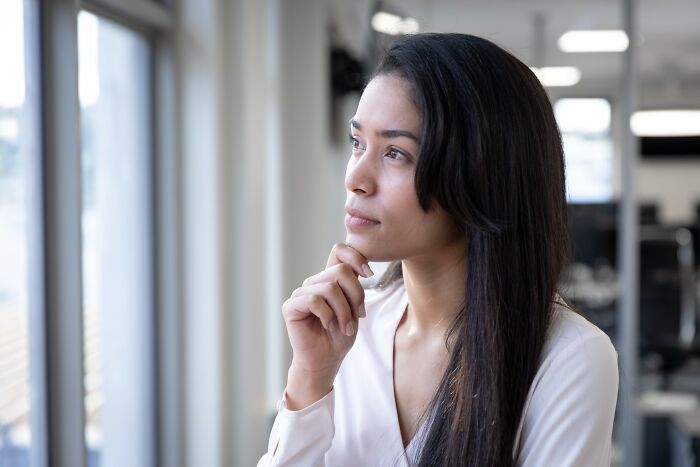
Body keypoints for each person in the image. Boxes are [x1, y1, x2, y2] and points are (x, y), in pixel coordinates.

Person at [258, 33, 619, 466]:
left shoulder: (568, 355)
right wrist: (310, 376)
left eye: (395, 153)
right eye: (358, 143)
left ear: (480, 174)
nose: (356, 177)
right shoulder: (350, 331)